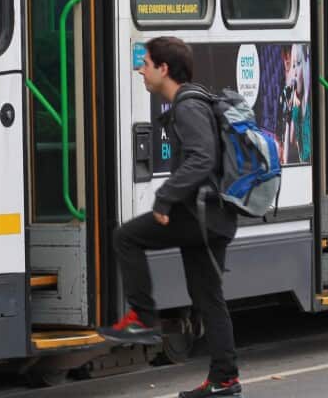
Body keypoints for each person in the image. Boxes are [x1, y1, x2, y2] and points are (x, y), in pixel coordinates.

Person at [98, 37, 241, 398]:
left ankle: (143, 319)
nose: (140, 70)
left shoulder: (187, 106)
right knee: (208, 297)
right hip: (212, 217)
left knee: (126, 237)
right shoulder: (195, 100)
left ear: (163, 69)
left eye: (145, 63)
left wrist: (164, 199)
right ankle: (225, 381)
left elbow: (201, 158)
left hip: (201, 217)